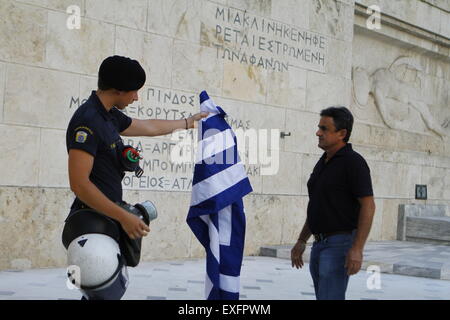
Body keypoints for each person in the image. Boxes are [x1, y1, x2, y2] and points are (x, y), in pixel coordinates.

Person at [65, 55, 207, 299]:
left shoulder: (107, 115)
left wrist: (187, 123)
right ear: (118, 90)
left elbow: (148, 127)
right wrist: (124, 217)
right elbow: (79, 184)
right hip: (90, 225)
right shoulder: (87, 122)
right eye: (134, 92)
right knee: (103, 293)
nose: (136, 98)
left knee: (106, 293)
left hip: (106, 220)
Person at [291, 106, 376, 300]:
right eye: (319, 127)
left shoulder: (354, 163)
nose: (317, 132)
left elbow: (368, 206)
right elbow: (318, 205)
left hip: (339, 244)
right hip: (319, 244)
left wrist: (357, 248)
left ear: (342, 133)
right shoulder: (323, 162)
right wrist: (302, 240)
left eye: (324, 128)